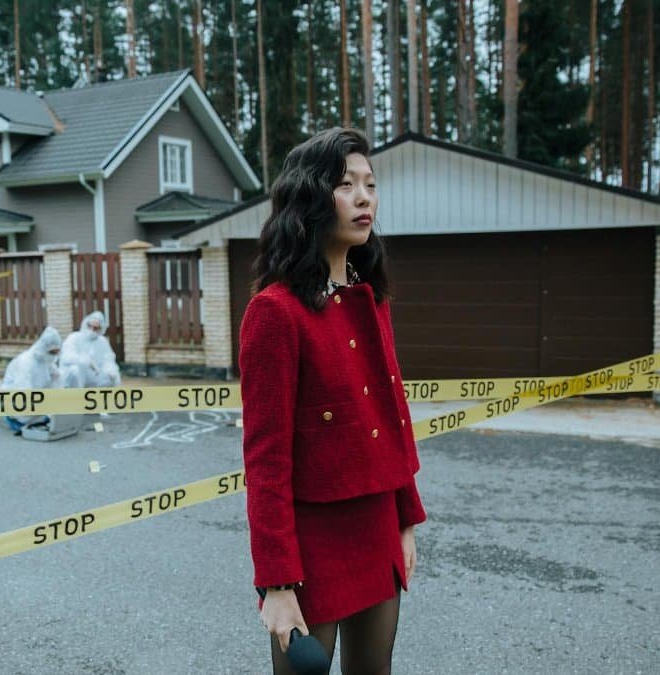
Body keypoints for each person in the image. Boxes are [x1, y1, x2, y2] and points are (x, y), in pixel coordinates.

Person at [238, 127, 426, 674]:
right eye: (346, 185)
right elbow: (266, 459)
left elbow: (392, 419)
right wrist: (276, 583)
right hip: (309, 547)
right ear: (310, 198)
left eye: (370, 184)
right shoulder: (275, 313)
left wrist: (405, 521)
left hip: (377, 529)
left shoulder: (372, 300)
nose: (365, 197)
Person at [1, 327, 63, 433]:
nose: (54, 356)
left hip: (36, 400)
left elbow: (57, 382)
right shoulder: (26, 362)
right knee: (26, 417)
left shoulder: (46, 360)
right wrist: (45, 405)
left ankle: (43, 419)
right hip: (17, 404)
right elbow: (22, 392)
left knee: (57, 377)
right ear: (44, 348)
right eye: (52, 352)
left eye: (56, 353)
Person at [60, 311, 121, 388]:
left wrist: (110, 369)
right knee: (75, 371)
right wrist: (85, 361)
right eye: (89, 326)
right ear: (85, 324)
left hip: (94, 375)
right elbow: (67, 357)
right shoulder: (74, 337)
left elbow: (108, 359)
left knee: (111, 377)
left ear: (101, 329)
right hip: (77, 374)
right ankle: (75, 394)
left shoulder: (102, 341)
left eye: (95, 328)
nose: (92, 329)